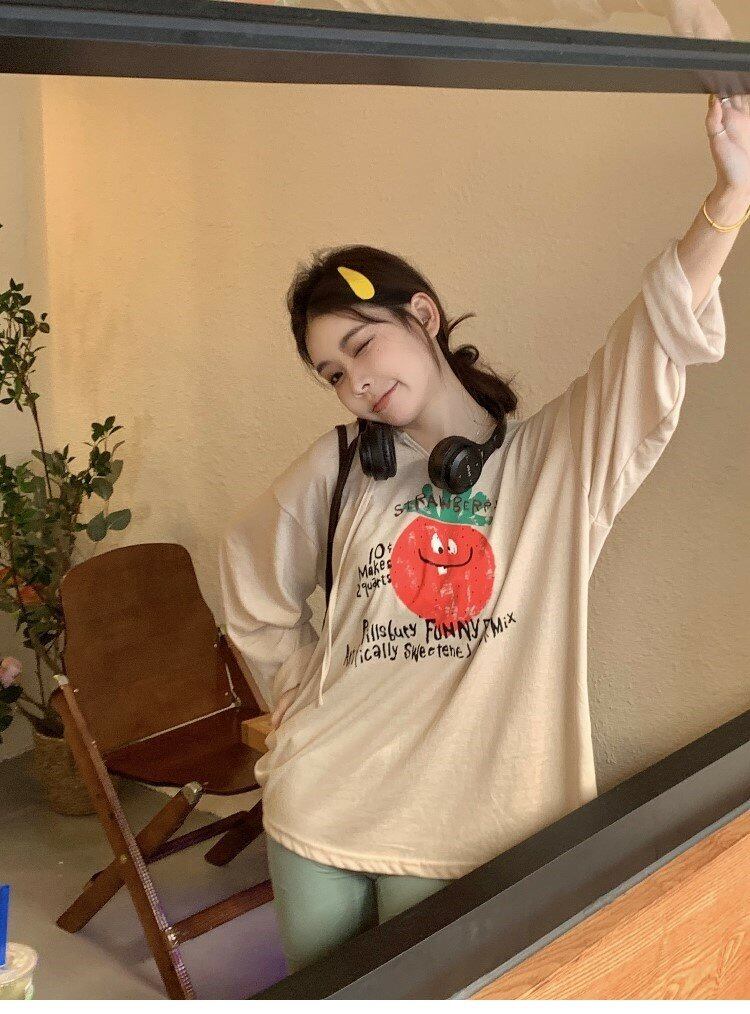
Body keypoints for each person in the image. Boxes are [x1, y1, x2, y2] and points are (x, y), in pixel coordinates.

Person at [218, 92, 749, 975]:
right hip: (320, 802)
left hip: (466, 824)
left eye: (363, 345)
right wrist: (303, 692)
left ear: (423, 316)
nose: (354, 380)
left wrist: (727, 202)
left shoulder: (557, 463)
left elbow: (653, 337)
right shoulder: (341, 464)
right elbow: (248, 575)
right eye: (332, 372)